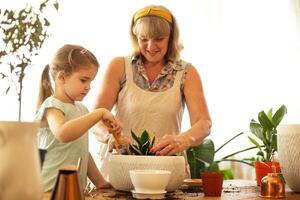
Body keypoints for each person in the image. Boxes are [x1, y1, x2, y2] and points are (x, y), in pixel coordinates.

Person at [92, 5, 212, 177]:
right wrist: (108, 136)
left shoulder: (186, 72)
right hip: (119, 170)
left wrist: (183, 139)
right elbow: (96, 117)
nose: (151, 46)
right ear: (135, 37)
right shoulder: (119, 66)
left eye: (158, 39)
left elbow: (204, 123)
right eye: (144, 39)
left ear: (170, 38)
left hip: (167, 172)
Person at [35, 44, 121, 192]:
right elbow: (63, 133)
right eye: (83, 80)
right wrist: (99, 113)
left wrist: (100, 182)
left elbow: (81, 151)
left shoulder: (81, 109)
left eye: (91, 81)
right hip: (49, 191)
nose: (88, 87)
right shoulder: (52, 107)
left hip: (72, 191)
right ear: (61, 77)